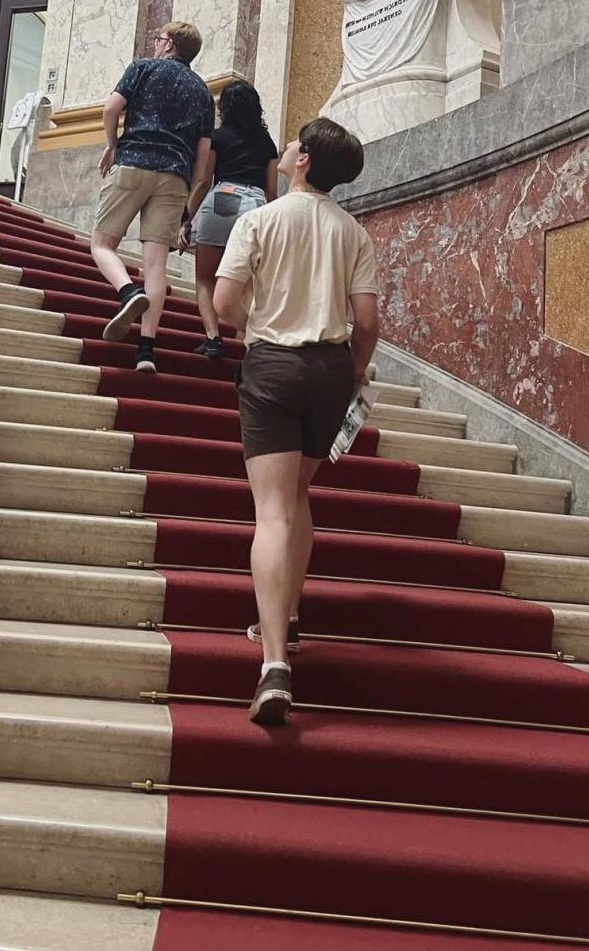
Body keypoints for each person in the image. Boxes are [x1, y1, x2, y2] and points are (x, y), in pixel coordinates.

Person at [213, 117, 380, 726]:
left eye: (291, 143)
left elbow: (227, 304)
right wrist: (357, 372)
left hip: (275, 367)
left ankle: (275, 663)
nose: (282, 148)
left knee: (273, 510)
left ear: (303, 160)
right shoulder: (352, 231)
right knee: (299, 494)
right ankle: (287, 611)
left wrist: (262, 320)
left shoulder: (260, 220)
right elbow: (366, 320)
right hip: (332, 372)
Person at [91, 21, 214, 373]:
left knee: (102, 244)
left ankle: (128, 292)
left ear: (169, 43)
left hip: (133, 162)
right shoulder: (203, 92)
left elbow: (110, 110)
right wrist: (188, 197)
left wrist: (113, 146)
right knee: (156, 264)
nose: (156, 44)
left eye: (159, 39)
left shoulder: (142, 68)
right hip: (175, 176)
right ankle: (146, 351)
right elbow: (203, 159)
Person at [179, 80, 279, 360]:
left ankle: (213, 338)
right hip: (256, 206)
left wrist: (186, 220)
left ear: (225, 107)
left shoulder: (217, 137)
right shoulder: (267, 143)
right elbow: (272, 191)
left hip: (223, 196)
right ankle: (251, 338)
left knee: (205, 279)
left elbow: (203, 181)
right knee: (247, 282)